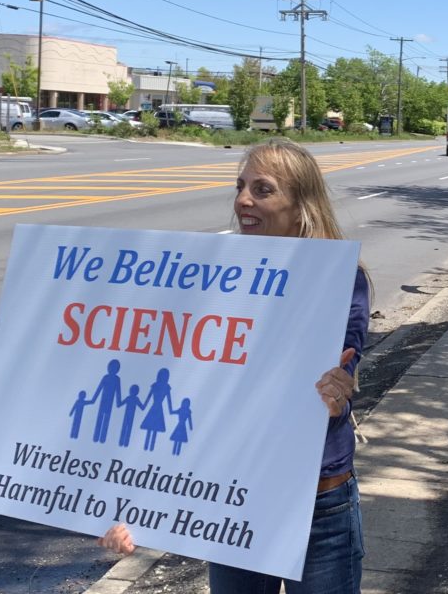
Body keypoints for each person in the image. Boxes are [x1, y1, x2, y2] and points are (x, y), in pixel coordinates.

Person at [100, 139, 370, 594]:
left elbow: (342, 372)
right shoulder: (209, 280)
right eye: (240, 186)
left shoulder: (338, 278)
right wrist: (135, 509)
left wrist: (334, 394)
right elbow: (179, 400)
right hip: (233, 500)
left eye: (262, 189)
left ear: (301, 205)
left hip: (317, 503)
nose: (243, 200)